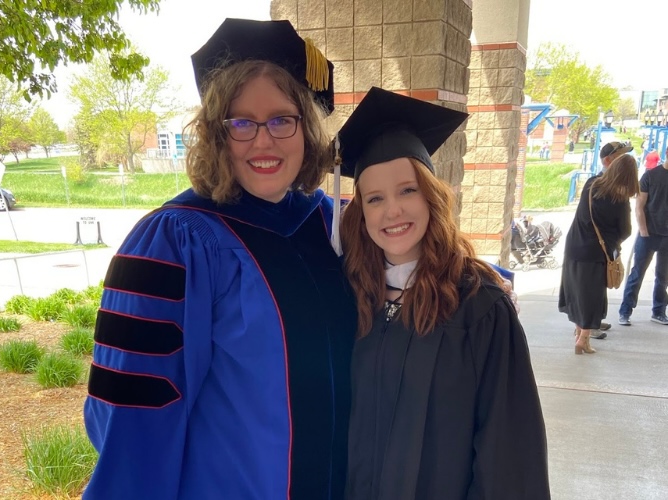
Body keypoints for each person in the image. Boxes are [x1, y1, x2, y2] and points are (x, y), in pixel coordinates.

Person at [82, 18, 358, 499]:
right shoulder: (176, 241)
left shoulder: (335, 226)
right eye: (241, 122)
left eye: (281, 119)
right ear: (216, 134)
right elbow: (131, 412)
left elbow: (418, 259)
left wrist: (480, 279)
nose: (263, 139)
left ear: (306, 129)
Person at [336, 87, 550, 499]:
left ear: (432, 197)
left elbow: (508, 451)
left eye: (408, 190)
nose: (392, 211)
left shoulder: (480, 308)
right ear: (361, 213)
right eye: (375, 198)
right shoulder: (352, 294)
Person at [559, 154, 639, 353]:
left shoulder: (591, 184)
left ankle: (578, 333)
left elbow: (584, 216)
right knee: (592, 296)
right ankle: (583, 339)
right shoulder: (619, 200)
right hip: (596, 254)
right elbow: (625, 231)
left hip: (574, 246)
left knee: (576, 292)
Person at [618, 156, 668, 326]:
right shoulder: (650, 176)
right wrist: (644, 231)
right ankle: (625, 311)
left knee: (663, 277)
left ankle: (659, 311)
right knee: (637, 273)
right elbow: (639, 206)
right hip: (648, 234)